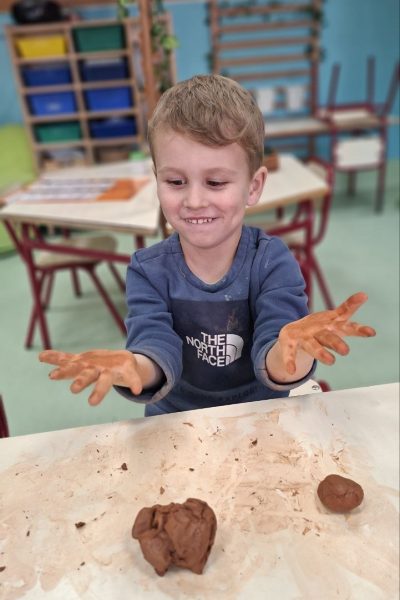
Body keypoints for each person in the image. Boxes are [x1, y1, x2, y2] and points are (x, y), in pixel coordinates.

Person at [39, 75, 376, 416]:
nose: (195, 200)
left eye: (215, 182)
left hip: (259, 417)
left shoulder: (271, 262)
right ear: (156, 179)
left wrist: (296, 348)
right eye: (175, 181)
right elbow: (155, 349)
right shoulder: (147, 270)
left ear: (253, 186)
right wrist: (132, 367)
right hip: (175, 420)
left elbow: (280, 361)